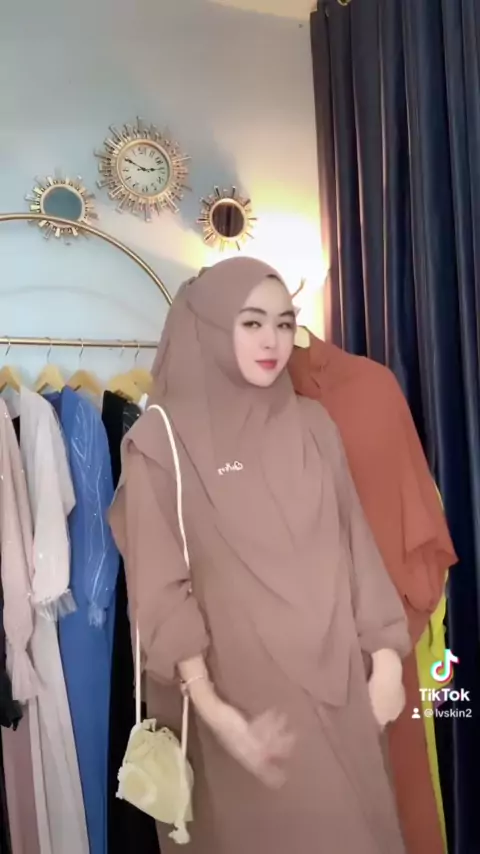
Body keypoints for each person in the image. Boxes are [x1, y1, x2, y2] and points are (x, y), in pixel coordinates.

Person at [109, 257, 411, 854]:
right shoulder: (159, 442)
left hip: (339, 691)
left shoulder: (313, 424)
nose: (272, 340)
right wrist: (216, 710)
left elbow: (354, 541)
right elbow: (160, 588)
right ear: (211, 325)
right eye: (251, 322)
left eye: (283, 322)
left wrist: (386, 659)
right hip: (236, 706)